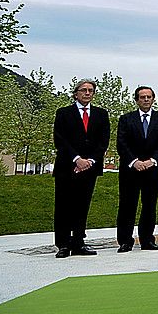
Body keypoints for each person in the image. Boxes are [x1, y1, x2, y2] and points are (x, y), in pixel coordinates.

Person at [53, 79, 109, 258]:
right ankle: (62, 244)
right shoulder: (63, 113)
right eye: (83, 90)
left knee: (82, 206)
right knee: (63, 206)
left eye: (91, 90)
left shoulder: (101, 114)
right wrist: (77, 159)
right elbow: (60, 140)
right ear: (75, 93)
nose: (87, 93)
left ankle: (78, 242)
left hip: (90, 168)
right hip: (67, 167)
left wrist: (90, 161)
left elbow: (103, 141)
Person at [116, 85, 158, 252]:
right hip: (131, 170)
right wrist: (135, 161)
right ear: (137, 100)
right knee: (127, 206)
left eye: (149, 97)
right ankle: (125, 241)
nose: (146, 100)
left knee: (149, 206)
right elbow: (121, 143)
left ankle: (147, 240)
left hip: (152, 170)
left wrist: (152, 161)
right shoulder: (126, 119)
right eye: (142, 97)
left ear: (153, 99)